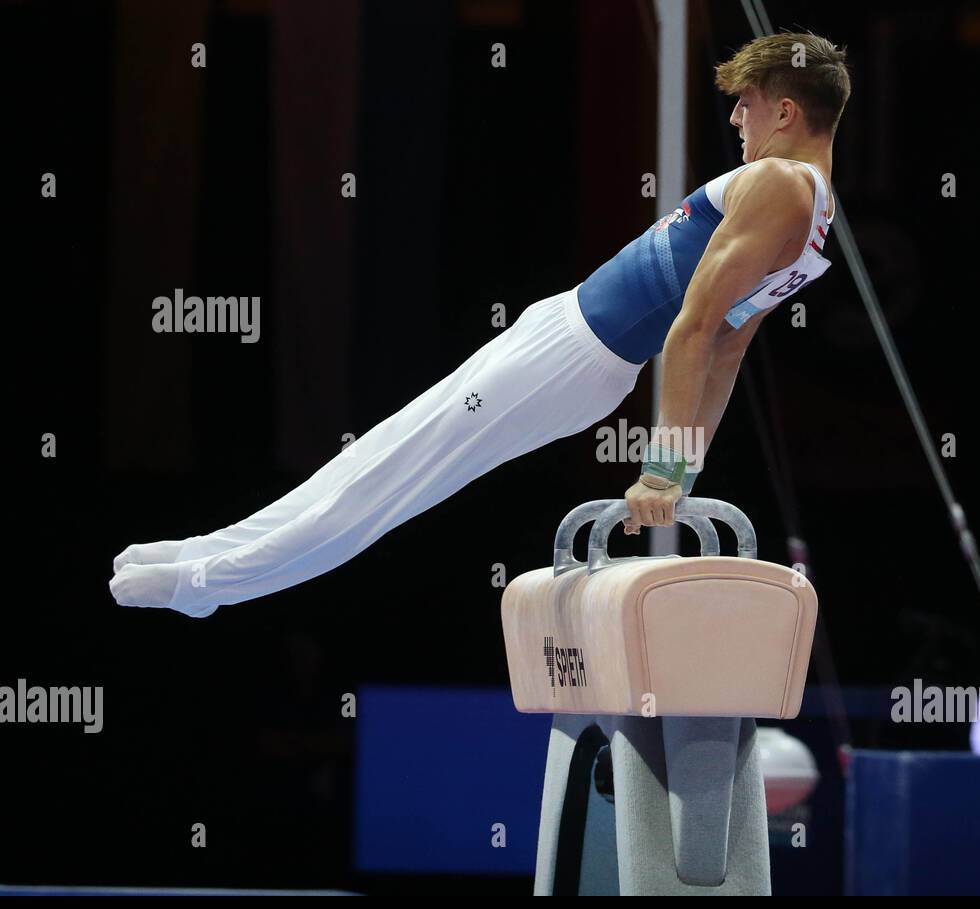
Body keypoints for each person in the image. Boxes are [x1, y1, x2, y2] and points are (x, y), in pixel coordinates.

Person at [110, 30, 850, 618]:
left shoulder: (779, 183)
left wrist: (665, 467)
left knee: (391, 476)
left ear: (785, 111)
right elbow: (724, 352)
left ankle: (209, 582)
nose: (733, 117)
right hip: (569, 343)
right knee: (379, 457)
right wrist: (682, 465)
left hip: (572, 357)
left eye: (746, 102)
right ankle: (204, 553)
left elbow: (698, 332)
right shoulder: (817, 222)